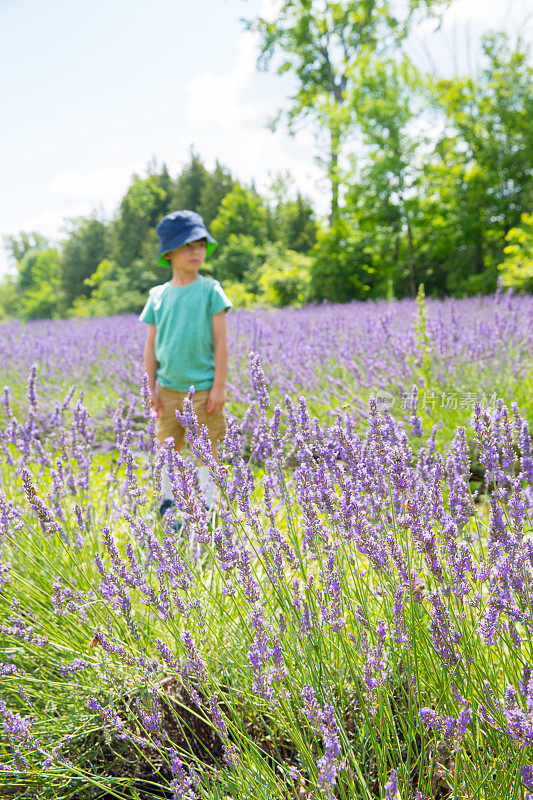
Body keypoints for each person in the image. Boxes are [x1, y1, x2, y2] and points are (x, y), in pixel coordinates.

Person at [139, 209, 232, 518]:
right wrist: (150, 389)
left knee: (208, 450)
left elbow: (221, 343)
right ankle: (169, 503)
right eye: (188, 245)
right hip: (167, 390)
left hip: (204, 389)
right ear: (169, 253)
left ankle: (210, 507)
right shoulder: (157, 296)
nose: (197, 251)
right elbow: (151, 347)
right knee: (167, 449)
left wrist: (219, 386)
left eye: (201, 245)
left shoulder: (211, 291)